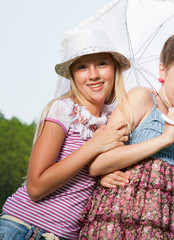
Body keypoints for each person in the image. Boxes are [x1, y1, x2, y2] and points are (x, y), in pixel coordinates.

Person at [78, 32, 174, 239]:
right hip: (119, 223)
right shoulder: (142, 98)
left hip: (160, 228)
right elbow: (98, 163)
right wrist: (164, 138)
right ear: (163, 70)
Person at [0, 28, 130, 240]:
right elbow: (35, 186)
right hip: (25, 228)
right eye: (82, 67)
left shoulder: (113, 122)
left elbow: (84, 176)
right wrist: (93, 146)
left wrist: (101, 175)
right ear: (72, 75)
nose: (94, 74)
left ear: (114, 68)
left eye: (102, 63)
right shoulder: (64, 110)